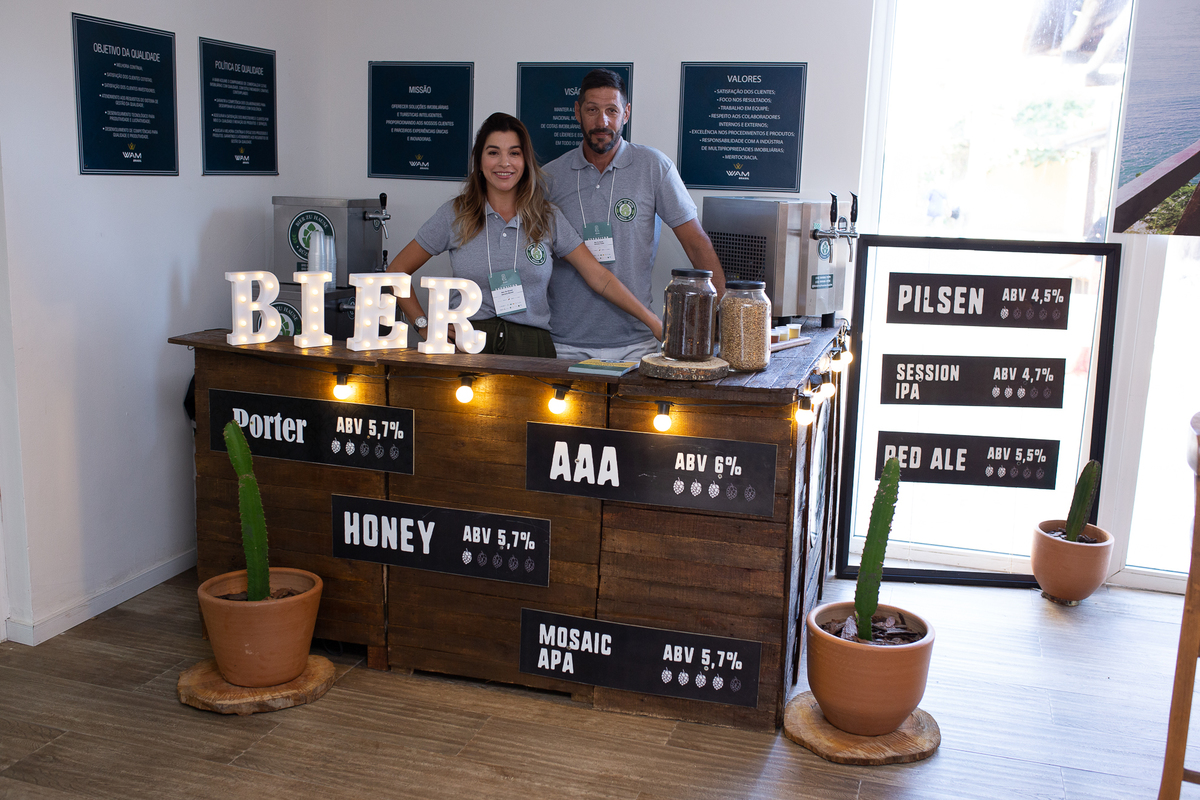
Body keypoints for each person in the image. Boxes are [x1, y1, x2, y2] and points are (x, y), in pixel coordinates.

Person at [386, 112, 662, 357]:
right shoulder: (454, 214)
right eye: (493, 153)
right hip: (467, 344)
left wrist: (653, 322)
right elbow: (397, 270)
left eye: (514, 153)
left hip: (531, 347)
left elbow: (599, 276)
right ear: (479, 161)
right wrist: (424, 325)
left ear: (525, 161)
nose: (504, 163)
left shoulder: (547, 216)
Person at [543, 68, 726, 362]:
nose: (602, 121)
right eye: (592, 110)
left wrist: (725, 317)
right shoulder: (549, 178)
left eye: (611, 110)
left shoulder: (654, 166)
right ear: (577, 112)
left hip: (636, 343)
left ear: (626, 113)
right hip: (564, 343)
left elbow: (695, 243)